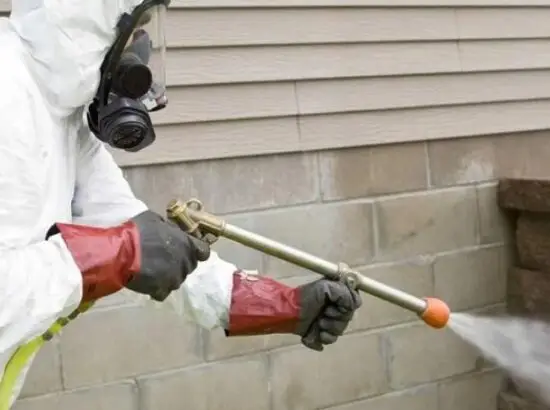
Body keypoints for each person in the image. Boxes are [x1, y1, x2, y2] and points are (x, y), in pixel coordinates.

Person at [0, 0, 362, 406]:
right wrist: (116, 254)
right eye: (139, 24)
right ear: (88, 14)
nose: (141, 45)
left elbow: (142, 239)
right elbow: (121, 249)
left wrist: (284, 306)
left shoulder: (61, 119)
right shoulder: (7, 97)